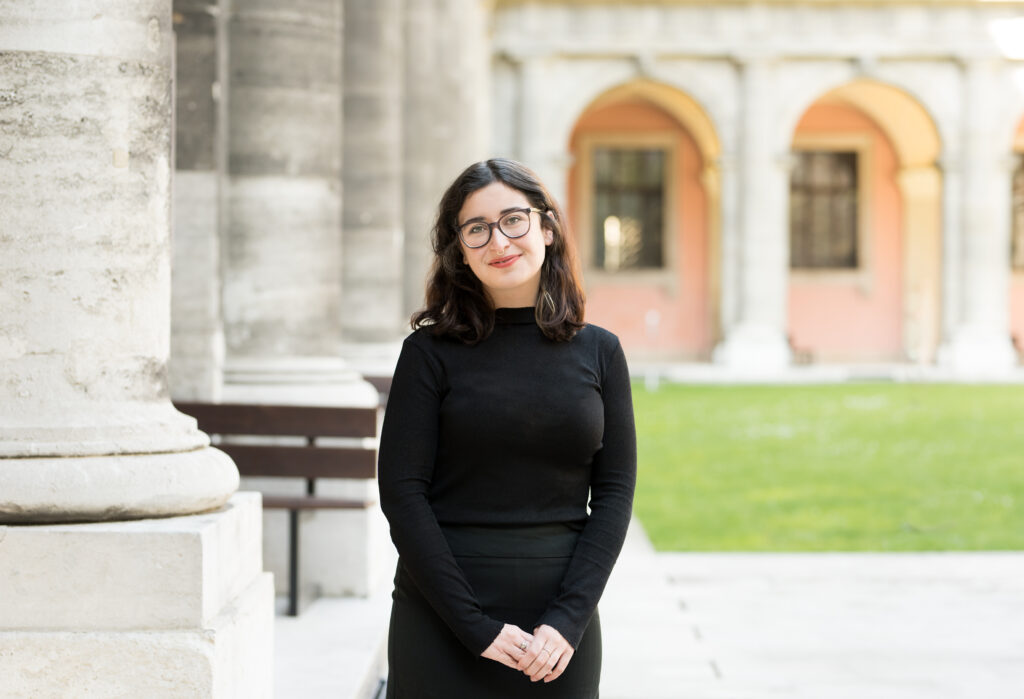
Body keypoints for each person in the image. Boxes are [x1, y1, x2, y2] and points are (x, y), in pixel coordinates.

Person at [378, 158, 636, 698]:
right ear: (459, 250)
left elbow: (614, 494)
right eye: (476, 229)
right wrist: (475, 627)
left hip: (558, 628)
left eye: (513, 220)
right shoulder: (427, 354)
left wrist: (567, 620)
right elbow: (402, 495)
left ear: (547, 228)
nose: (499, 240)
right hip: (441, 614)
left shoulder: (601, 351)